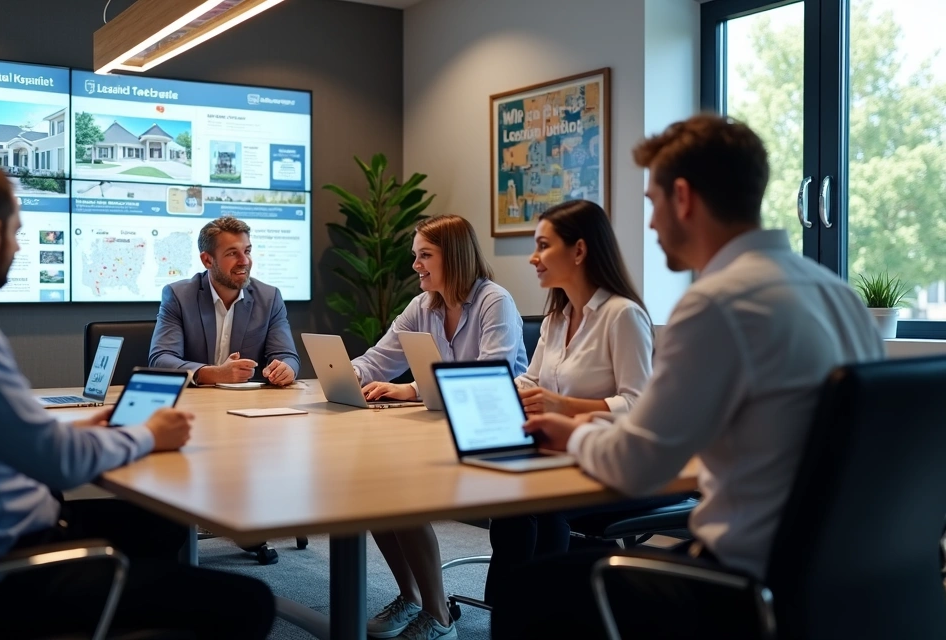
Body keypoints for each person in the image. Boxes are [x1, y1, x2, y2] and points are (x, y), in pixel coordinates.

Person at [490, 115, 886, 639]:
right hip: (849, 580)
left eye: (653, 202)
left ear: (682, 197)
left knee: (528, 592)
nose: (651, 224)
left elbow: (636, 467)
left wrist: (572, 434)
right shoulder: (842, 296)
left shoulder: (716, 304)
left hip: (746, 585)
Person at [0, 161, 274, 640]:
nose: (18, 246)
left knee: (162, 526)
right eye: (17, 232)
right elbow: (58, 465)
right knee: (249, 602)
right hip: (11, 568)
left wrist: (79, 430)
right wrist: (147, 434)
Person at [484, 198, 673, 606]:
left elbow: (638, 405)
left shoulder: (622, 315)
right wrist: (495, 392)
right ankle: (514, 612)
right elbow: (531, 380)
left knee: (535, 507)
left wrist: (563, 407)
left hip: (616, 462)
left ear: (580, 250)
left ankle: (532, 612)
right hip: (561, 454)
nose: (533, 258)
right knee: (512, 500)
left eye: (543, 246)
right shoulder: (557, 317)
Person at [356, 214, 528, 640]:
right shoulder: (424, 305)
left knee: (400, 492)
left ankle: (440, 617)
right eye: (415, 256)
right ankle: (411, 599)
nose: (415, 265)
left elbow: (488, 377)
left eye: (424, 256)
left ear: (453, 256)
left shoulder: (494, 301)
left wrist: (411, 389)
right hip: (442, 429)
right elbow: (379, 359)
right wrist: (347, 374)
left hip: (493, 434)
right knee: (377, 489)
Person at [150, 215, 300, 386]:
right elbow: (160, 359)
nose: (244, 261)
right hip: (193, 402)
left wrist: (286, 369)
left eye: (247, 251)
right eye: (232, 253)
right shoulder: (179, 296)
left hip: (249, 404)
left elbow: (287, 356)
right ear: (207, 260)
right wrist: (214, 374)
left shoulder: (269, 298)